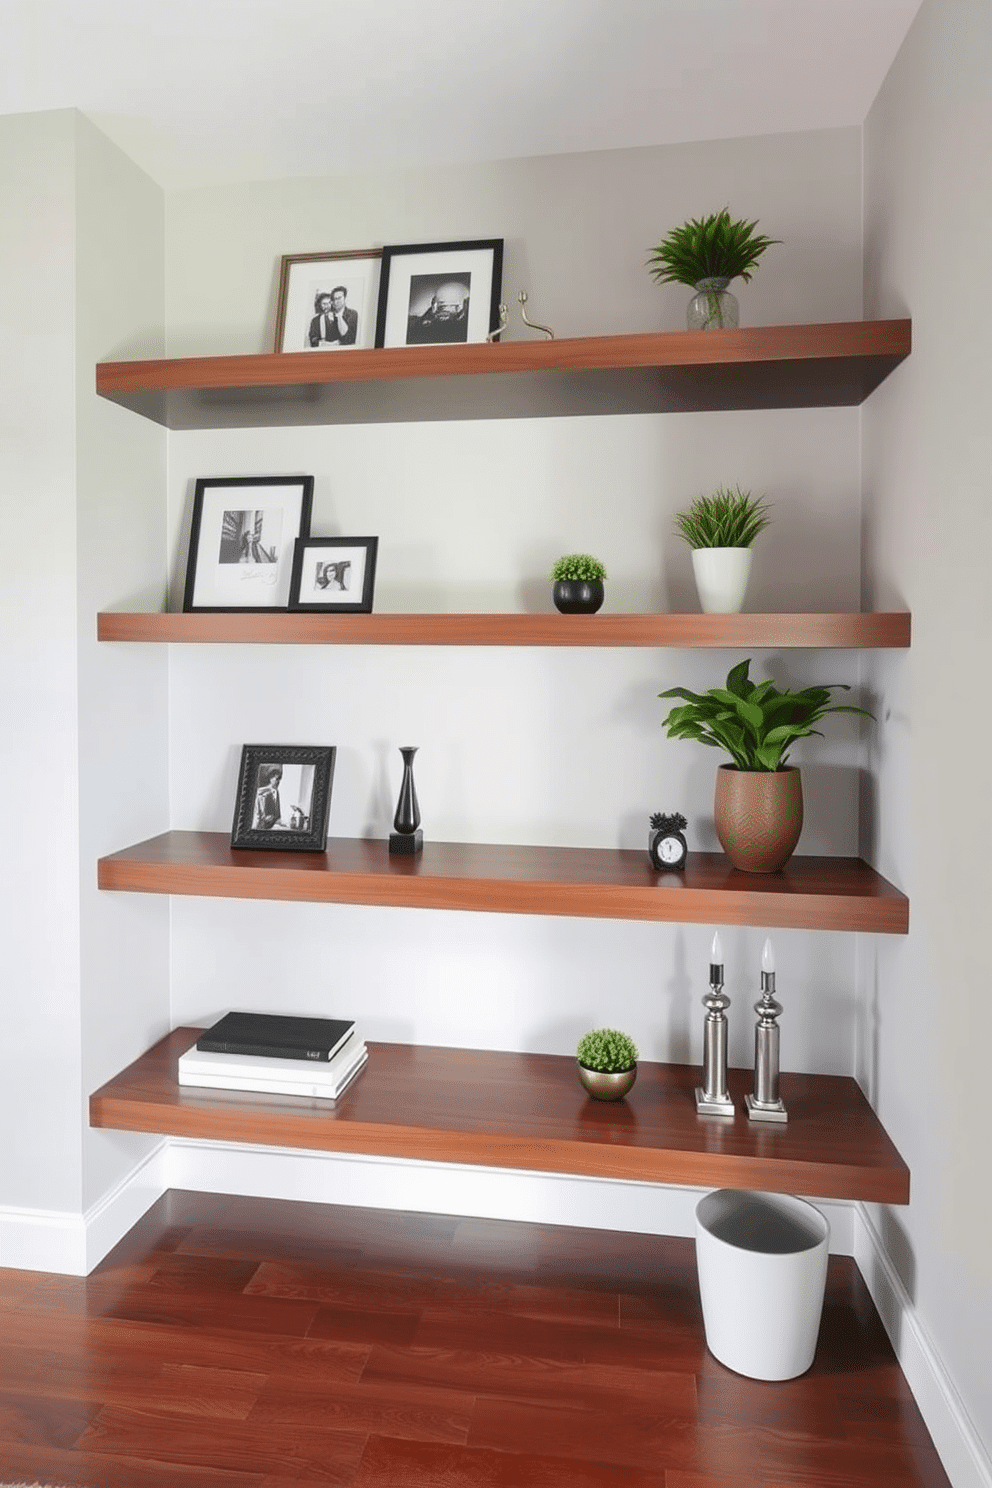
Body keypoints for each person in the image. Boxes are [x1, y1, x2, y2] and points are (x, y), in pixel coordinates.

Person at [406, 280, 470, 344]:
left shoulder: (464, 329)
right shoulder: (420, 324)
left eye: (445, 306)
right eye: (441, 306)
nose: (442, 312)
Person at [252, 764, 283, 830]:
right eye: (276, 779)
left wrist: (278, 820)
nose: (278, 782)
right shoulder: (261, 792)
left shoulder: (276, 791)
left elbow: (277, 812)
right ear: (270, 779)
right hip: (262, 825)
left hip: (272, 825)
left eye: (279, 779)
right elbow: (259, 815)